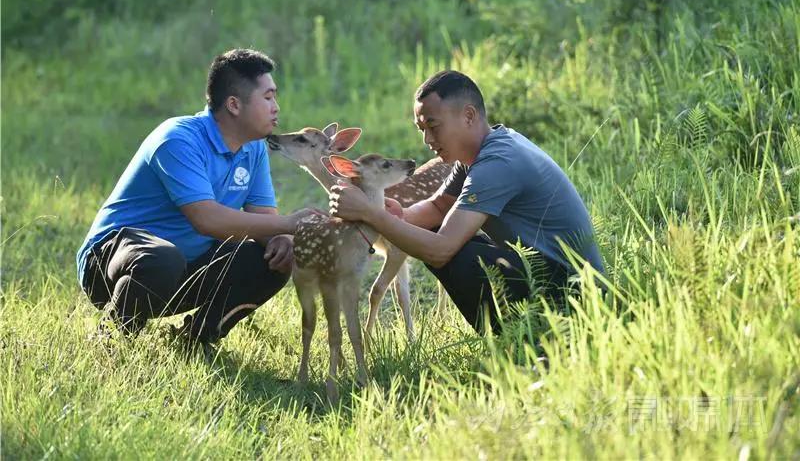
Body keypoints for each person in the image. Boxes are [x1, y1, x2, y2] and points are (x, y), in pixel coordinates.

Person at [329, 70, 604, 333]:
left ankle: (527, 338)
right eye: (421, 128)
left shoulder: (497, 162)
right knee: (434, 232)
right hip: (549, 278)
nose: (426, 139)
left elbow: (440, 250)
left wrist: (371, 214)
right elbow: (438, 207)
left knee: (450, 254)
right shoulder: (478, 152)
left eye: (433, 126)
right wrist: (393, 211)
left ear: (468, 116)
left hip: (575, 296)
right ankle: (521, 334)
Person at [76, 49, 316, 344]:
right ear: (234, 105)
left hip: (181, 267)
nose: (276, 107)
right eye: (268, 98)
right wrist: (290, 224)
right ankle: (112, 337)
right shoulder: (178, 139)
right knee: (162, 258)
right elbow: (207, 219)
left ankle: (194, 340)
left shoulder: (252, 148)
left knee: (275, 258)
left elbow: (265, 220)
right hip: (111, 265)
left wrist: (284, 241)